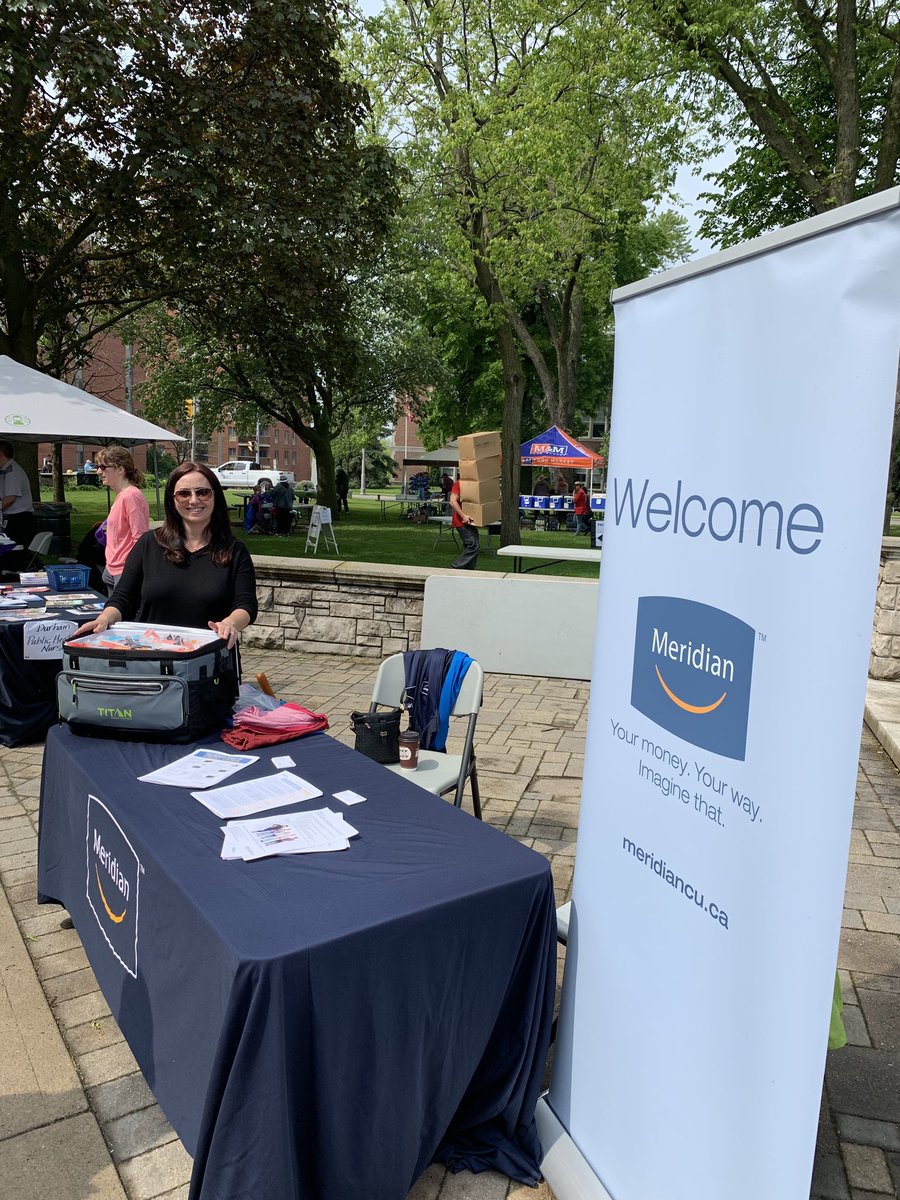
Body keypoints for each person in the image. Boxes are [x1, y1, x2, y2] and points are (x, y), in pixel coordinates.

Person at [73, 462, 257, 650]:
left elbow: (246, 604)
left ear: (215, 496)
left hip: (209, 659)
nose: (194, 500)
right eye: (184, 494)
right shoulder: (149, 544)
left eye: (203, 492)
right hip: (151, 660)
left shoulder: (235, 550)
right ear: (172, 499)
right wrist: (104, 619)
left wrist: (230, 623)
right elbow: (123, 597)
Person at [96, 446, 150, 594]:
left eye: (103, 467)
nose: (99, 471)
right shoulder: (121, 495)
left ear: (120, 469)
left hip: (124, 571)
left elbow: (139, 538)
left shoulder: (131, 496)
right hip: (112, 569)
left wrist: (130, 571)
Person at [0, 440, 35, 547]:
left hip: (19, 520)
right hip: (14, 518)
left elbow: (10, 498)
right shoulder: (6, 470)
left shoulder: (12, 472)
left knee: (14, 551)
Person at [448, 477, 479, 570]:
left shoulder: (475, 485)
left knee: (472, 545)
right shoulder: (459, 484)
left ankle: (468, 571)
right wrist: (464, 516)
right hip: (461, 521)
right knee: (473, 545)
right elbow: (452, 501)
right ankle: (454, 568)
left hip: (470, 522)